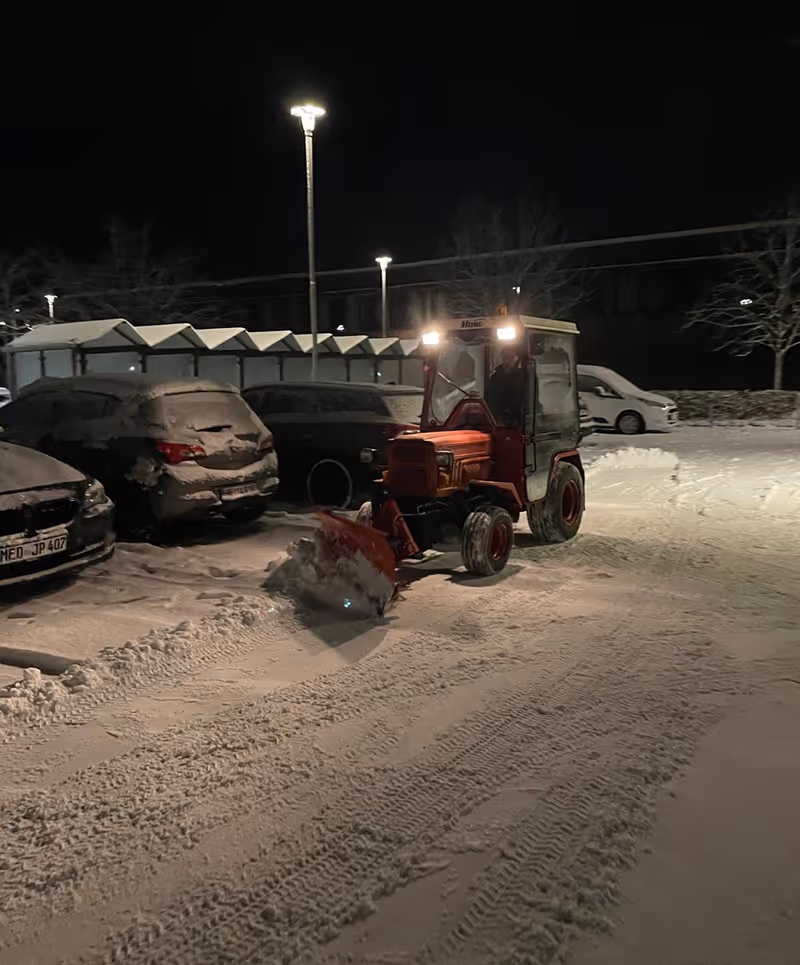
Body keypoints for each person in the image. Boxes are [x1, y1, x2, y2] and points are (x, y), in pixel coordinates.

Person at [485, 346, 525, 427]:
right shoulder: (495, 376)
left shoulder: (525, 375)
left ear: (517, 358)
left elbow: (529, 398)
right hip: (500, 418)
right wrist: (495, 417)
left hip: (521, 419)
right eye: (505, 357)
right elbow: (490, 397)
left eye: (511, 357)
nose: (508, 360)